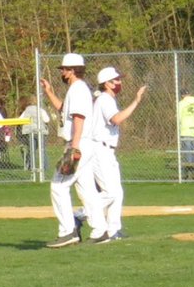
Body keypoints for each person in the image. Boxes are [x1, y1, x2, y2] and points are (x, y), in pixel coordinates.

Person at [43, 53, 104, 247]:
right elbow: (65, 110)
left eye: (63, 69)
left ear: (72, 70)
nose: (61, 72)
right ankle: (100, 230)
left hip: (79, 142)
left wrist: (74, 146)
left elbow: (79, 118)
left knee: (58, 185)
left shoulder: (78, 89)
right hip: (83, 142)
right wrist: (50, 92)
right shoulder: (77, 89)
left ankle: (68, 231)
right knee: (86, 189)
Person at [91, 66, 147, 242]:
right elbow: (116, 119)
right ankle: (80, 214)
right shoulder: (105, 99)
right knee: (110, 193)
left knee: (118, 192)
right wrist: (136, 101)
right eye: (116, 80)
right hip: (99, 149)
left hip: (107, 151)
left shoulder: (107, 98)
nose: (119, 82)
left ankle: (113, 230)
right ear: (106, 84)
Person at [17, 95, 51, 171]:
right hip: (41, 132)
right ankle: (45, 167)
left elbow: (20, 120)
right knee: (42, 150)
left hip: (30, 132)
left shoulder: (26, 110)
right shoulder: (40, 110)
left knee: (32, 150)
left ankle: (31, 166)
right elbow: (47, 120)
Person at [177, 88, 194, 173]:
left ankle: (189, 167)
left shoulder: (181, 103)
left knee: (187, 148)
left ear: (182, 95)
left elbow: (179, 117)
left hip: (185, 128)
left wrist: (181, 124)